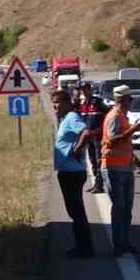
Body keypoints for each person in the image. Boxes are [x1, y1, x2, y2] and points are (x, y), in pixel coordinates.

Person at [52, 90, 95, 258]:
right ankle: (82, 247)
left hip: (72, 173)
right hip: (67, 172)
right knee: (74, 212)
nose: (55, 106)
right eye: (53, 103)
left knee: (76, 212)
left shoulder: (71, 117)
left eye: (57, 103)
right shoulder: (66, 119)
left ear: (67, 103)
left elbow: (86, 132)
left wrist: (76, 150)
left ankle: (85, 249)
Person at [102, 85, 140, 256]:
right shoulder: (114, 117)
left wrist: (136, 160)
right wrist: (133, 129)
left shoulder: (122, 117)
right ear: (123, 100)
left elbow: (125, 143)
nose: (132, 102)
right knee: (119, 208)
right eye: (130, 99)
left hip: (125, 167)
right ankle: (118, 245)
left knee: (126, 209)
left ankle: (124, 243)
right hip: (113, 168)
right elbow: (111, 141)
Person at [76, 83, 106, 194]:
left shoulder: (97, 102)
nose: (83, 92)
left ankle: (99, 185)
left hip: (98, 137)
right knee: (93, 160)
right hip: (88, 138)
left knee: (99, 161)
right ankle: (96, 184)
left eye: (85, 89)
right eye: (81, 90)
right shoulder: (82, 104)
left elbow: (106, 119)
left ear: (90, 90)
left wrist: (98, 130)